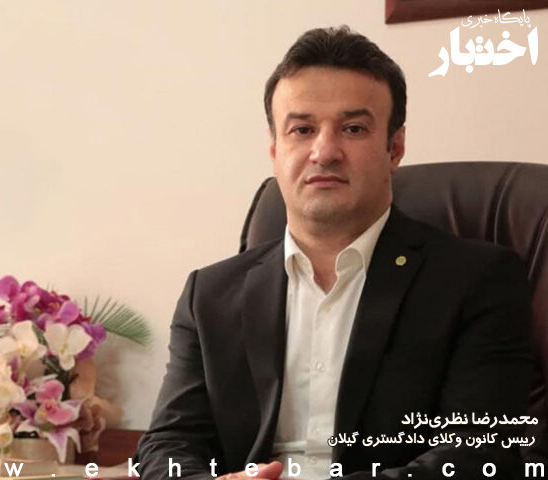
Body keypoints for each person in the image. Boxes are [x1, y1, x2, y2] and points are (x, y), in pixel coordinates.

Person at [135, 26, 532, 479]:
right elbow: (167, 444)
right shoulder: (209, 294)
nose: (324, 152)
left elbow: (477, 456)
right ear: (275, 148)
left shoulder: (476, 281)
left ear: (395, 147)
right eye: (302, 129)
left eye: (353, 129)